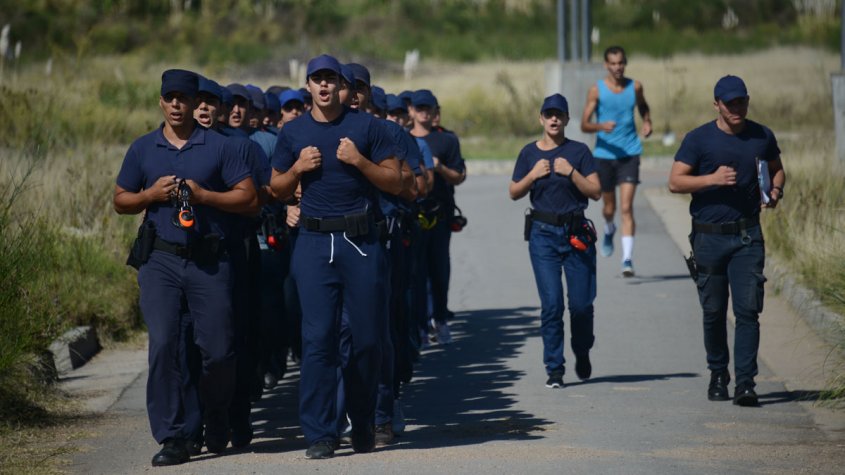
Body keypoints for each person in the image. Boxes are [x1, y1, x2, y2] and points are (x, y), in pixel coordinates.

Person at [113, 69, 258, 466]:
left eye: (183, 98)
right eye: (169, 97)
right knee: (163, 345)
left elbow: (248, 199)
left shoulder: (220, 147)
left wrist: (205, 195)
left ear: (197, 104)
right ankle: (173, 436)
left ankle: (215, 414)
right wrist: (149, 195)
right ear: (160, 102)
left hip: (209, 260)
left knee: (219, 351)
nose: (176, 104)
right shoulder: (144, 148)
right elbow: (120, 200)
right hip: (160, 260)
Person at [270, 54, 402, 460]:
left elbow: (396, 182)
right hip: (312, 243)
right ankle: (320, 433)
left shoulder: (368, 127)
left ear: (342, 87)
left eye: (331, 79)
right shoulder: (293, 133)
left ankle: (362, 423)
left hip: (360, 242)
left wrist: (359, 161)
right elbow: (275, 189)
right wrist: (297, 168)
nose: (324, 86)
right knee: (318, 340)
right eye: (317, 80)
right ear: (307, 85)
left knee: (366, 340)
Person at [668, 75, 785, 407]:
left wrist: (775, 191)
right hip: (708, 237)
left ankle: (746, 384)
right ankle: (718, 374)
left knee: (748, 311)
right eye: (730, 103)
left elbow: (778, 169)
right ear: (716, 104)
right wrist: (712, 179)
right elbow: (675, 182)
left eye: (742, 101)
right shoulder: (699, 140)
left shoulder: (762, 135)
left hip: (748, 236)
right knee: (714, 311)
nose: (737, 108)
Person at [509, 94, 601, 389]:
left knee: (581, 305)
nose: (553, 119)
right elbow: (513, 191)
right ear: (541, 118)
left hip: (576, 234)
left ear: (566, 120)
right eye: (549, 114)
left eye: (559, 115)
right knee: (551, 304)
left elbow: (596, 191)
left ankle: (582, 348)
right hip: (543, 235)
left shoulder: (579, 152)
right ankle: (555, 368)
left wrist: (571, 172)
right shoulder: (528, 154)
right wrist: (532, 175)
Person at [580, 45, 652, 277]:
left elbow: (643, 105)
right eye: (613, 63)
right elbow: (584, 124)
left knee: (626, 207)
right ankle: (609, 228)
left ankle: (627, 259)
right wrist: (601, 126)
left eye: (621, 62)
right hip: (603, 156)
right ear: (606, 65)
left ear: (625, 63)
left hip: (629, 154)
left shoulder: (635, 86)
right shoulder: (597, 90)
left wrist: (647, 122)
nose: (617, 67)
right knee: (609, 208)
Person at [408, 89, 466, 345]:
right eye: (419, 108)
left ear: (434, 111)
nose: (423, 113)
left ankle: (440, 319)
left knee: (439, 271)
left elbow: (460, 176)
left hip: (440, 214)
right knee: (416, 273)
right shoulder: (403, 138)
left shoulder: (447, 140)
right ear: (412, 111)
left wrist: (438, 167)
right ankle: (421, 325)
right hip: (413, 214)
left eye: (427, 108)